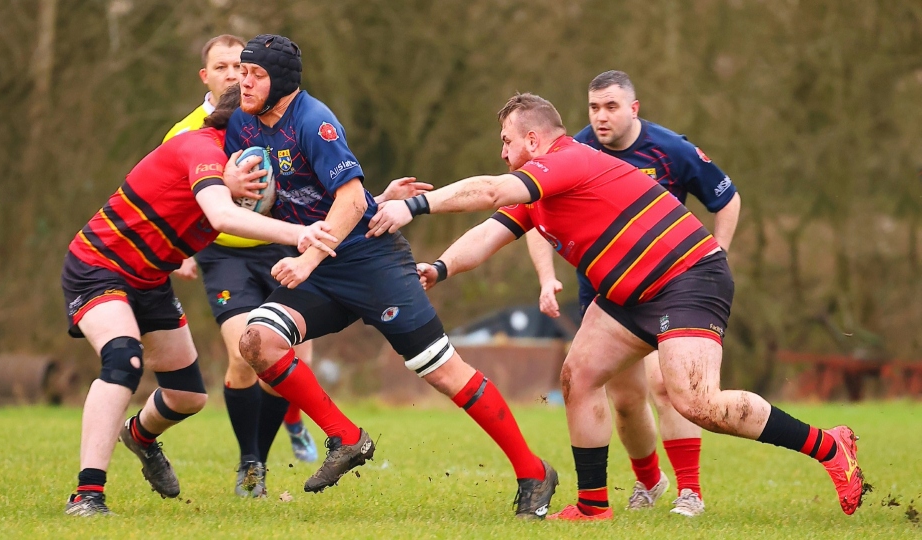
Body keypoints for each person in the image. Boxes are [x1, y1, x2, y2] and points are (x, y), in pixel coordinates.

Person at [367, 92, 864, 521]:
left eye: (506, 140)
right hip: (629, 295)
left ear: (534, 141)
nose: (502, 151)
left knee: (695, 401)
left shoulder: (567, 160)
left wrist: (411, 207)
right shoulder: (540, 188)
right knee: (578, 377)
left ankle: (829, 445)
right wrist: (440, 267)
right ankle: (592, 506)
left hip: (687, 277)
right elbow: (489, 233)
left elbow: (492, 191)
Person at [223, 34, 559, 519]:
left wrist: (307, 258)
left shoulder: (314, 123)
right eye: (241, 71)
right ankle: (347, 438)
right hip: (323, 264)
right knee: (258, 342)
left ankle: (533, 472)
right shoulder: (242, 124)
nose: (244, 81)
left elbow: (351, 201)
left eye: (255, 74)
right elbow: (273, 193)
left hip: (370, 263)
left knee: (441, 371)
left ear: (283, 81)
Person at [61, 86, 337, 516]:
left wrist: (375, 202)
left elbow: (314, 195)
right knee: (124, 359)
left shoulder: (241, 165)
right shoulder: (199, 148)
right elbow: (223, 217)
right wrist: (298, 236)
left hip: (149, 280)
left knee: (187, 396)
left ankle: (140, 436)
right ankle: (87, 495)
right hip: (99, 266)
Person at [524, 70, 742, 516]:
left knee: (669, 386)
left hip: (667, 286)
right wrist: (546, 278)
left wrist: (716, 251)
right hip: (604, 292)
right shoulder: (574, 150)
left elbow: (726, 197)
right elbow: (531, 212)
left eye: (611, 107)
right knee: (623, 398)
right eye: (593, 107)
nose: (600, 117)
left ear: (633, 108)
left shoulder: (671, 150)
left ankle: (690, 491)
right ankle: (649, 483)